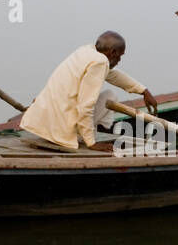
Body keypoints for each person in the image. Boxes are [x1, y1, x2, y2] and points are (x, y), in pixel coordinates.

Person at [20, 31, 157, 153]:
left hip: (45, 124)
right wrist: (92, 143)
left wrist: (143, 91)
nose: (120, 60)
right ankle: (84, 136)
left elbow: (113, 75)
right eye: (120, 56)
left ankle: (84, 133)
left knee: (106, 96)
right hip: (60, 129)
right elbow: (85, 105)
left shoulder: (86, 51)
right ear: (113, 53)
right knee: (111, 96)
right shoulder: (100, 62)